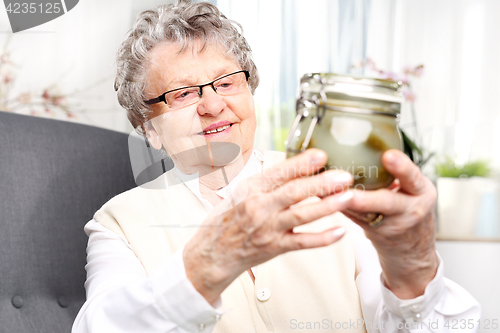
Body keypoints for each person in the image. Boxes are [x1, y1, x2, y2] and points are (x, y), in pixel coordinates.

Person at [72, 1, 480, 332]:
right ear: (149, 130)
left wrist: (415, 270)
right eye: (181, 94)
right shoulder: (117, 224)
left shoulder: (332, 177)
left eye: (227, 82)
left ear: (249, 91)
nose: (213, 105)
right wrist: (211, 260)